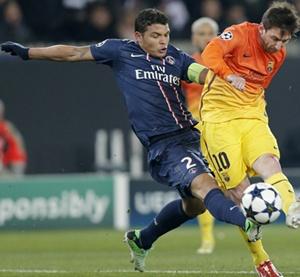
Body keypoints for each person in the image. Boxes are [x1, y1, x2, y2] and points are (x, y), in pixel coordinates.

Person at [1, 8, 261, 273]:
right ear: (138, 36)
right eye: (156, 35)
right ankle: (247, 221)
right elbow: (75, 52)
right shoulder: (121, 52)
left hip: (193, 135)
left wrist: (229, 79)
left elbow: (203, 74)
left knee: (192, 206)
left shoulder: (176, 58)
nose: (163, 41)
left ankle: (142, 239)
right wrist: (29, 52)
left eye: (167, 35)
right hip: (164, 144)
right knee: (205, 187)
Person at [200, 2, 300, 276]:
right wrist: (229, 75)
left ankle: (293, 208)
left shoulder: (277, 55)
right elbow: (210, 54)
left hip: (252, 116)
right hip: (219, 120)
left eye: (285, 40)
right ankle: (261, 261)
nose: (278, 45)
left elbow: (258, 86)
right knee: (237, 192)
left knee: (270, 163)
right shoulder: (239, 33)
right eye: (275, 37)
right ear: (263, 28)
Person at [182, 17, 219, 255]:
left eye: (209, 33)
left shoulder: (225, 62)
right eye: (201, 33)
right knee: (205, 182)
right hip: (199, 129)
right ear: (194, 37)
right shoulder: (185, 64)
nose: (206, 38)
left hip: (224, 127)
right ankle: (207, 238)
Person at [0, 99, 27, 177]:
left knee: (14, 183)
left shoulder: (5, 126)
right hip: (10, 161)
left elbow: (18, 140)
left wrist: (21, 154)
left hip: (15, 161)